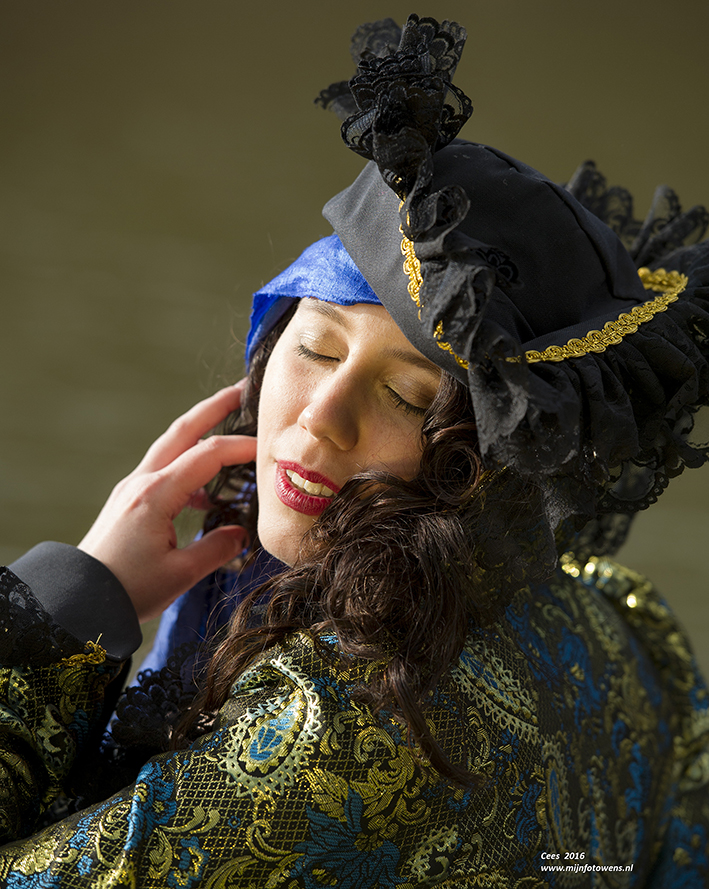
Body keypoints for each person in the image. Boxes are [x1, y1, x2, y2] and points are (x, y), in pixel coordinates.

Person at [1, 13, 709, 887]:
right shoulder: (620, 629)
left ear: (491, 463)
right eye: (316, 347)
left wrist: (71, 600)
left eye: (407, 395)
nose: (318, 419)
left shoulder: (334, 726)